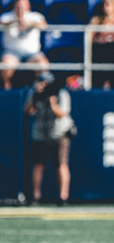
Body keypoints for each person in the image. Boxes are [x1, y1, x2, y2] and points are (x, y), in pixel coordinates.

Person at [24, 72, 75, 206]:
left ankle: (63, 197)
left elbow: (62, 114)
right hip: (40, 133)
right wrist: (36, 96)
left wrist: (52, 102)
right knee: (38, 165)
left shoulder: (61, 93)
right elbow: (28, 110)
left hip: (59, 133)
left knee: (61, 164)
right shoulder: (34, 93)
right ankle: (36, 197)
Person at [1, 0, 48, 90]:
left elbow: (44, 25)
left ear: (28, 6)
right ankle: (5, 91)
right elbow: (1, 23)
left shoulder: (35, 16)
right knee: (5, 66)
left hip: (32, 53)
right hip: (11, 52)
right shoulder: (6, 17)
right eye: (18, 5)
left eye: (22, 5)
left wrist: (29, 24)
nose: (20, 8)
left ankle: (41, 90)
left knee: (43, 64)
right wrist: (15, 22)